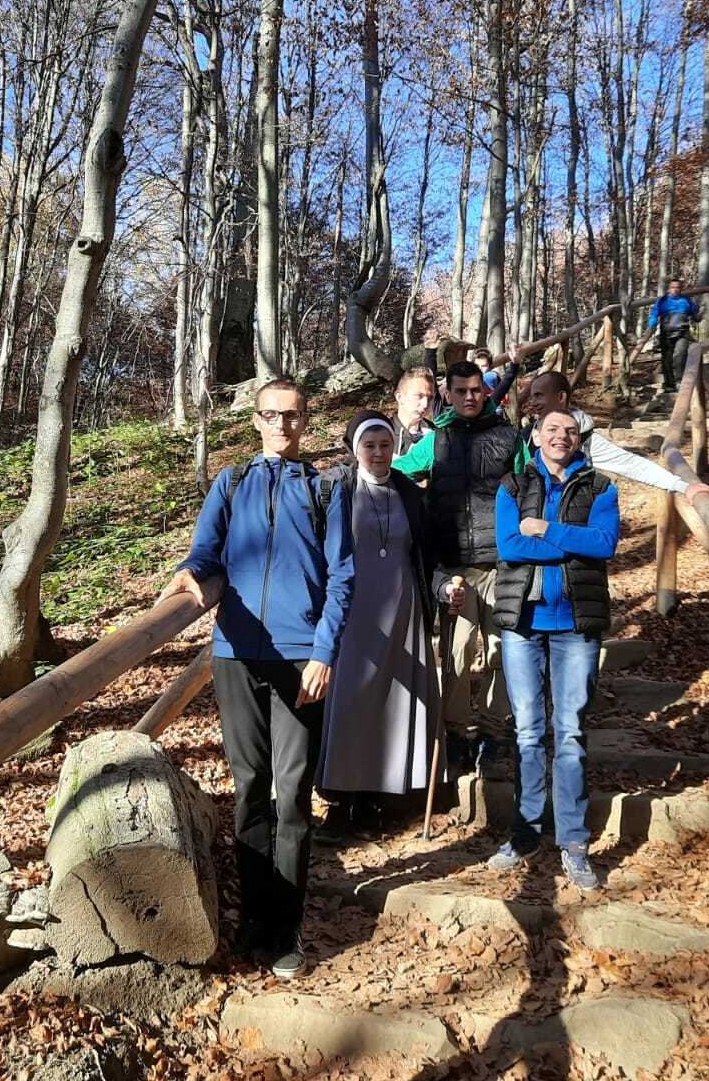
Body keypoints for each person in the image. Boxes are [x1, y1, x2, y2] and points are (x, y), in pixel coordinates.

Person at [157, 377, 353, 979]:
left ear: (305, 421)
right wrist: (191, 572)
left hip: (301, 659)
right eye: (271, 415)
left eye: (292, 416)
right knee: (250, 789)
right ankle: (253, 920)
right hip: (237, 654)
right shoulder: (231, 481)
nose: (282, 426)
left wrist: (324, 652)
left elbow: (344, 578)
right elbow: (206, 550)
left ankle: (286, 926)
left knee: (292, 794)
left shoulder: (325, 489)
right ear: (257, 420)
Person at [488, 410, 619, 890]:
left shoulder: (600, 487)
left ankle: (574, 840)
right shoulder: (513, 485)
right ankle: (524, 832)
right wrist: (570, 544)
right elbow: (508, 546)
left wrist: (544, 530)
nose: (560, 437)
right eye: (551, 430)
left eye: (569, 431)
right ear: (536, 437)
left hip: (576, 623)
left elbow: (605, 544)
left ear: (578, 438)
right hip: (523, 622)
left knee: (570, 733)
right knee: (527, 731)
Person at [392, 360, 530, 775]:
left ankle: (493, 733)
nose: (470, 396)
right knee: (454, 655)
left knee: (500, 651)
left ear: (485, 391)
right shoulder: (436, 442)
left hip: (502, 563)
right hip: (453, 567)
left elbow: (532, 487)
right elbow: (393, 472)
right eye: (460, 390)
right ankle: (453, 736)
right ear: (447, 394)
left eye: (476, 389)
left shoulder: (509, 437)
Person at [316, 411, 442, 838]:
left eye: (385, 445)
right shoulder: (337, 488)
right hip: (352, 608)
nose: (378, 453)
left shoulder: (409, 492)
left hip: (401, 607)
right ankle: (342, 797)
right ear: (355, 450)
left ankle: (382, 797)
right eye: (369, 446)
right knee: (351, 699)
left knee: (393, 700)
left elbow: (425, 551)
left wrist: (441, 591)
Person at [520, 369, 709, 504]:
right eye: (532, 396)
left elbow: (631, 464)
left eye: (539, 396)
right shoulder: (529, 434)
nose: (533, 402)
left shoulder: (583, 440)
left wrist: (683, 486)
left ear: (561, 397)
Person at [646, 280, 701, 392]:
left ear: (681, 289)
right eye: (673, 287)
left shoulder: (686, 301)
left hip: (682, 332)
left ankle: (679, 381)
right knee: (667, 359)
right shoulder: (662, 301)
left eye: (678, 287)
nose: (675, 289)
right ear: (669, 288)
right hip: (666, 332)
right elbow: (654, 314)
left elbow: (695, 314)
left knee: (680, 356)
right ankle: (669, 384)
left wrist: (698, 316)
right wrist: (651, 325)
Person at [392, 367, 437, 456]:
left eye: (430, 398)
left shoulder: (435, 433)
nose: (425, 404)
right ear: (399, 397)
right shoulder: (384, 434)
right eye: (419, 396)